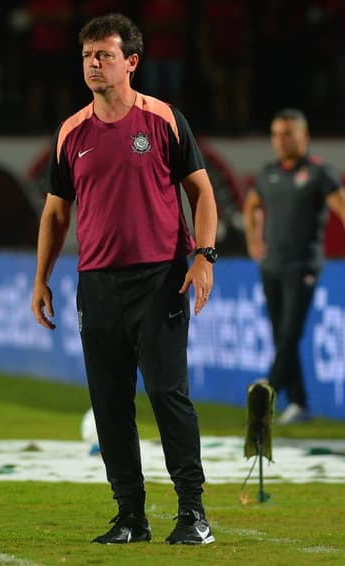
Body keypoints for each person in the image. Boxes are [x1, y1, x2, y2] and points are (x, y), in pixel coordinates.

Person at [30, 13, 218, 545]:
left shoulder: (162, 120)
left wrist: (203, 255)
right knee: (110, 403)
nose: (94, 63)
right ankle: (130, 516)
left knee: (166, 394)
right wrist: (40, 278)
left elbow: (203, 193)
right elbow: (54, 214)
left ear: (131, 62)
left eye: (105, 55)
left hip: (161, 279)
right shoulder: (71, 131)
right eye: (88, 55)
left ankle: (193, 513)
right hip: (97, 283)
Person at [243, 108, 345, 425]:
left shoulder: (320, 172)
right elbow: (252, 206)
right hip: (272, 265)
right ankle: (300, 403)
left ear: (303, 137)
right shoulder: (268, 173)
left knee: (291, 333)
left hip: (303, 264)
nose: (281, 140)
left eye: (288, 134)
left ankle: (267, 393)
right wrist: (254, 240)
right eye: (276, 134)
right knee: (282, 336)